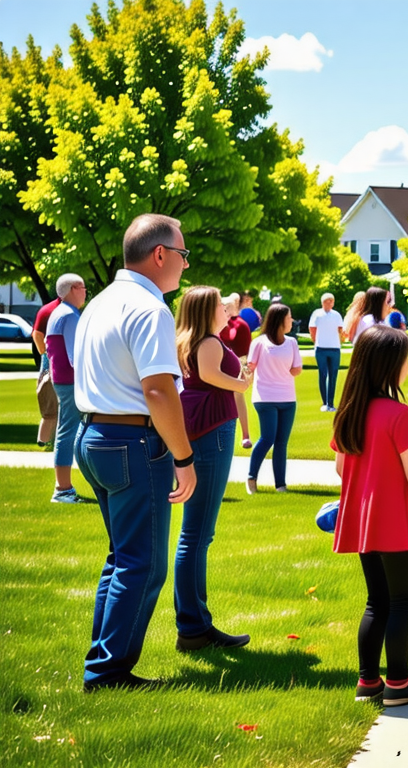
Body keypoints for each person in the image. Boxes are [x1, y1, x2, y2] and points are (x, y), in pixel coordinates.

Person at [74, 212, 197, 692]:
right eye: (183, 255)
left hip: (95, 437)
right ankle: (107, 673)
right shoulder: (150, 308)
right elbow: (159, 391)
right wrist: (184, 459)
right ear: (161, 254)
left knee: (122, 557)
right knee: (143, 564)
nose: (186, 266)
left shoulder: (101, 302)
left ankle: (102, 661)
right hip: (133, 441)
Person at [331, 324, 408, 706]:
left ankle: (368, 682)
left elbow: (340, 467)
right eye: (405, 361)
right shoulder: (398, 413)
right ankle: (398, 683)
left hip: (365, 521)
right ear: (388, 366)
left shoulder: (349, 411)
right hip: (396, 520)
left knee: (376, 602)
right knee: (403, 601)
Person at [174, 286, 255, 651]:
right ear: (207, 310)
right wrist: (241, 381)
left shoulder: (193, 338)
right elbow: (209, 376)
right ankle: (194, 626)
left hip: (206, 430)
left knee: (196, 534)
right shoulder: (207, 341)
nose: (226, 309)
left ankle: (194, 622)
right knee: (197, 534)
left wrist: (241, 376)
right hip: (212, 433)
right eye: (220, 305)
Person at [246, 304, 303, 495]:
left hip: (288, 398)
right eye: (289, 317)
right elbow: (250, 366)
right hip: (265, 398)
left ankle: (280, 485)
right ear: (280, 320)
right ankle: (251, 477)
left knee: (281, 442)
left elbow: (297, 368)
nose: (291, 320)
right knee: (268, 437)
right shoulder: (260, 342)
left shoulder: (292, 343)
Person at [45, 273, 88, 503]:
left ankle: (63, 488)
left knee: (68, 430)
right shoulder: (70, 315)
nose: (85, 292)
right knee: (69, 431)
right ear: (73, 288)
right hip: (71, 381)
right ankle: (63, 489)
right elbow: (76, 357)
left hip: (62, 380)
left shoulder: (57, 313)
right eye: (83, 287)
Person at [219, 293, 254, 449]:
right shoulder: (220, 324)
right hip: (220, 364)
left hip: (236, 364)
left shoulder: (239, 324)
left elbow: (240, 344)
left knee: (238, 397)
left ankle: (245, 434)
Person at [32, 295, 61, 450]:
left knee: (52, 406)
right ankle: (48, 441)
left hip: (55, 358)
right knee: (51, 405)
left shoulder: (51, 309)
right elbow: (37, 334)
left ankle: (47, 441)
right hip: (53, 359)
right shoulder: (51, 310)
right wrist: (45, 353)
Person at [309, 293, 346, 412]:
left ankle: (331, 402)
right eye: (327, 301)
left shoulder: (337, 315)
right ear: (322, 302)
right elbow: (312, 328)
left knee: (333, 376)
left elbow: (341, 330)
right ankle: (325, 402)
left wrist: (341, 340)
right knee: (323, 374)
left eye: (331, 301)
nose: (329, 303)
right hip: (321, 348)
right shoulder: (317, 314)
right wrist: (315, 340)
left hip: (334, 348)